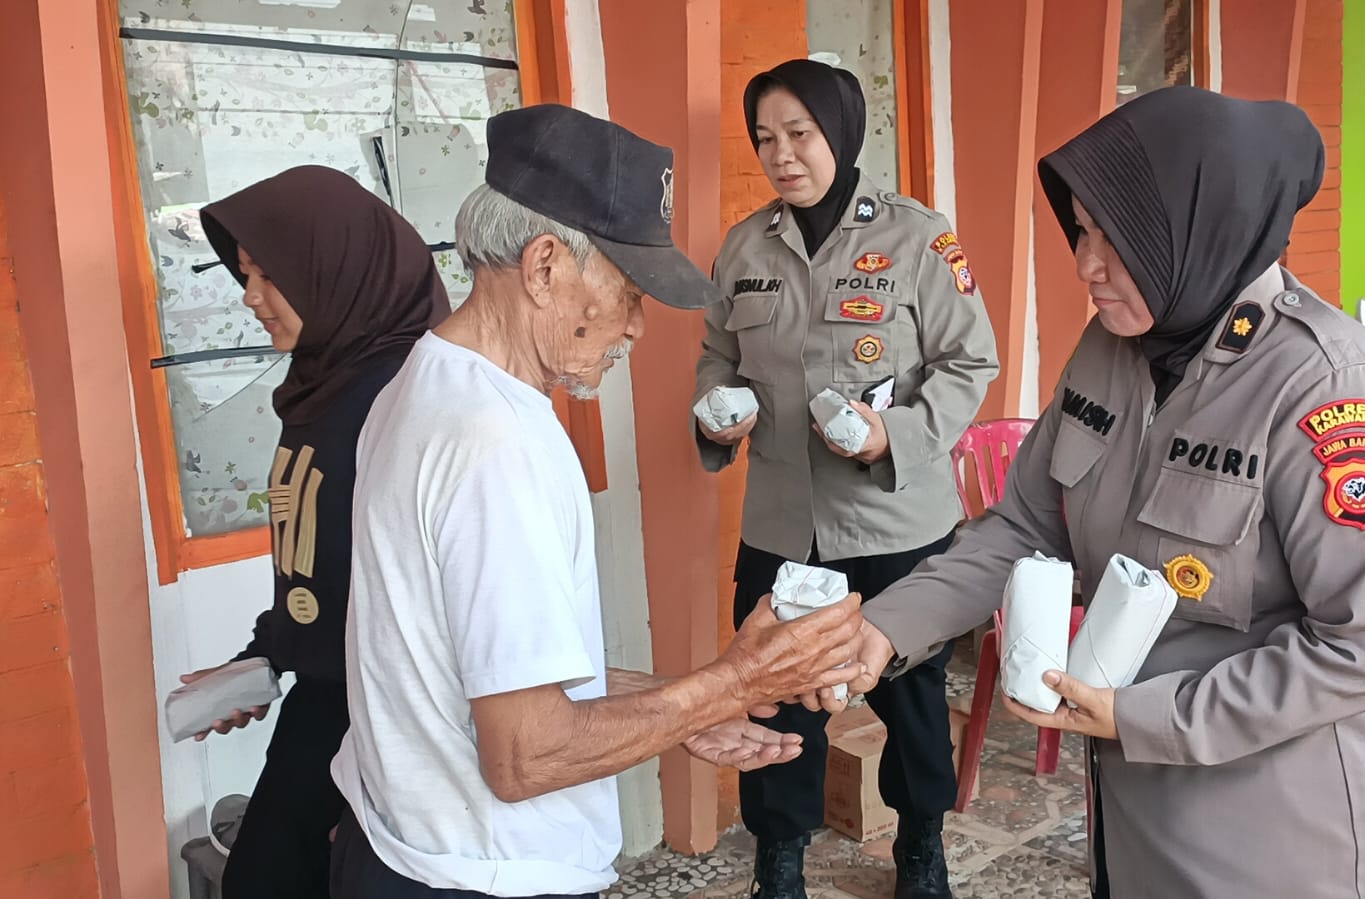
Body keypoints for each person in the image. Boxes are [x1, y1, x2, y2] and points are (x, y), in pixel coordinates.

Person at [830, 86, 1365, 898]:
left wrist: (1146, 717)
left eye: (1115, 238)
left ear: (1192, 232)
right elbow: (1024, 524)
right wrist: (881, 630)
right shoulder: (1113, 348)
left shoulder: (1332, 390)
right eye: (1081, 231)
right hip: (1135, 814)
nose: (1085, 265)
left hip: (1288, 834)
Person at [327, 103, 866, 899]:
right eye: (629, 290)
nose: (637, 327)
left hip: (402, 849)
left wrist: (679, 707)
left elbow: (489, 670)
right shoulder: (497, 446)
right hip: (481, 876)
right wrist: (735, 682)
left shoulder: (421, 381)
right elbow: (525, 756)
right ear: (545, 266)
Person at [694, 59, 999, 899]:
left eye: (800, 133)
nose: (782, 155)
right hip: (784, 526)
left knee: (911, 705)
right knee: (775, 694)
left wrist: (892, 436)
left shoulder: (915, 236)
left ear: (841, 132)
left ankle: (921, 849)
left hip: (896, 525)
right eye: (766, 139)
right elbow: (718, 355)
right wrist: (715, 411)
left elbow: (970, 359)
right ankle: (780, 858)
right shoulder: (745, 245)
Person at [177, 165, 450, 899]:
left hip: (390, 721)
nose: (249, 297)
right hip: (329, 700)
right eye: (244, 274)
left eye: (270, 275)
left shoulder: (402, 399)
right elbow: (318, 563)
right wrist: (265, 655)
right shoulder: (325, 383)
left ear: (334, 271)